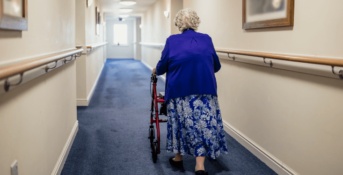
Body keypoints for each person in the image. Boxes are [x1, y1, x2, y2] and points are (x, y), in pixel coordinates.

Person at [153, 8, 228, 175]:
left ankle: (178, 159)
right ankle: (200, 166)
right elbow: (216, 65)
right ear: (196, 22)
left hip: (180, 90)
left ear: (179, 23)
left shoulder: (172, 41)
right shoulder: (207, 39)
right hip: (205, 89)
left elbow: (162, 66)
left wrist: (155, 71)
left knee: (180, 123)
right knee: (203, 125)